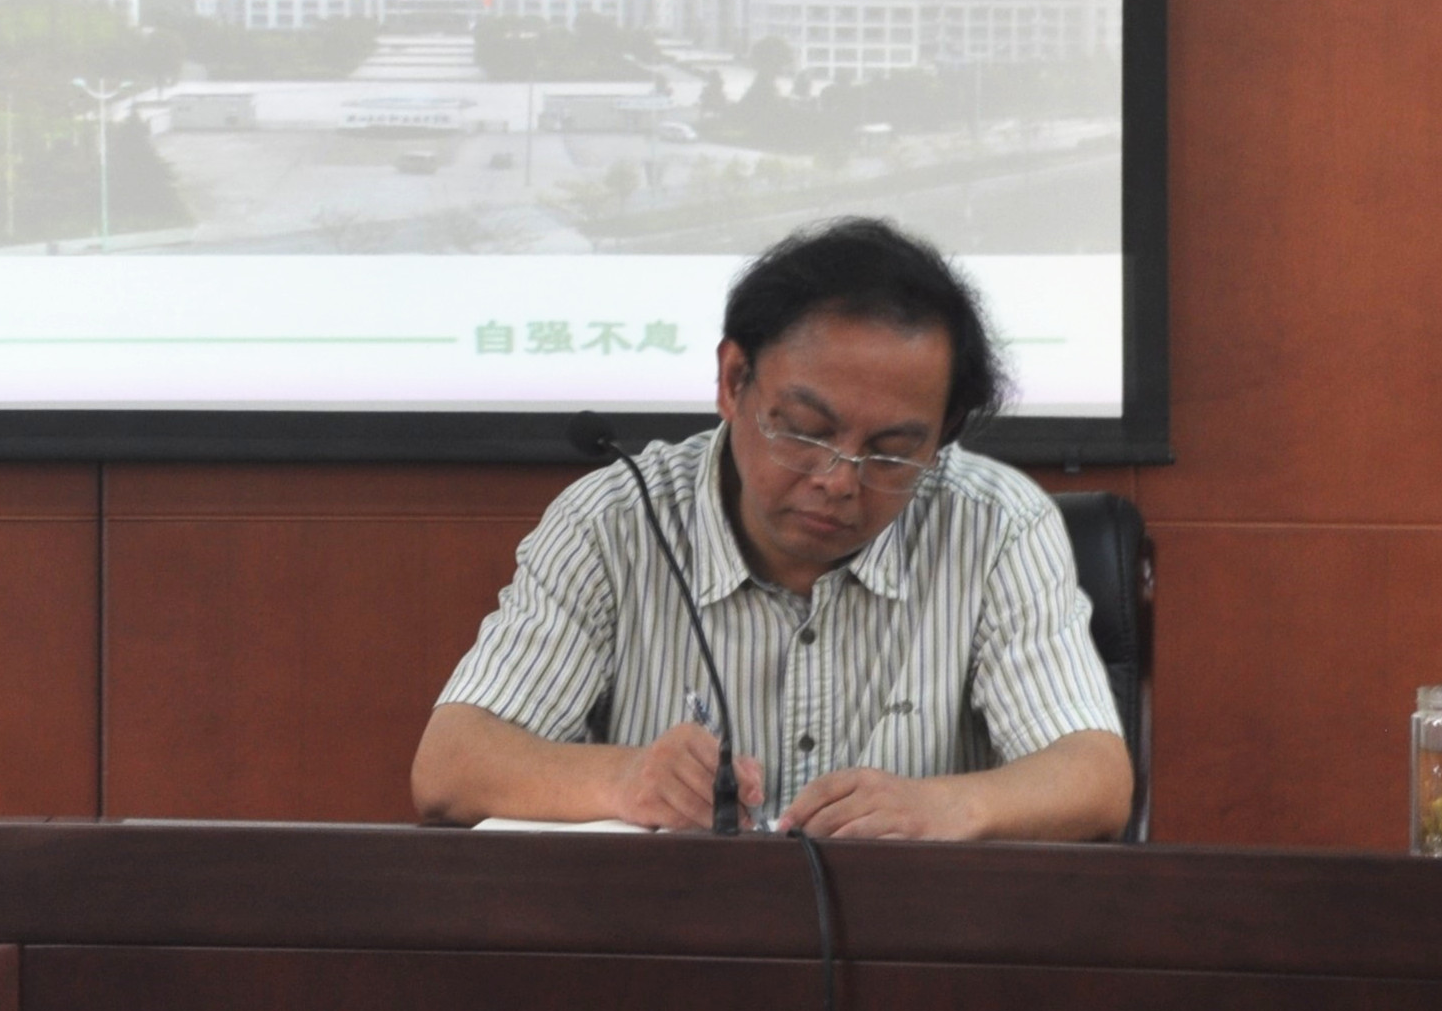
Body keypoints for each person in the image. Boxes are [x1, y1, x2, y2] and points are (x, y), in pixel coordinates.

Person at [410, 217, 1130, 841]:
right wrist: (625, 779)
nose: (838, 479)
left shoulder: (996, 525)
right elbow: (450, 765)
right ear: (732, 380)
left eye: (890, 451)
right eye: (806, 431)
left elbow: (1095, 778)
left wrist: (944, 806)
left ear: (943, 435)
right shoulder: (613, 522)